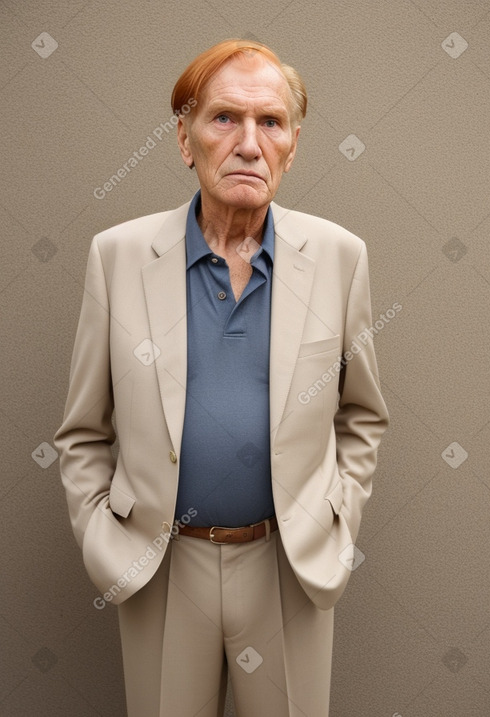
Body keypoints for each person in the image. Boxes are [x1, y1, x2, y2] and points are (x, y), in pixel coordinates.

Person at [54, 38, 389, 717]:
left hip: (288, 567)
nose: (248, 143)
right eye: (224, 118)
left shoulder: (339, 258)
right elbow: (83, 431)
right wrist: (103, 539)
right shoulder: (117, 257)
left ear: (293, 144)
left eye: (271, 122)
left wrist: (336, 515)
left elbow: (363, 415)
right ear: (184, 139)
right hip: (161, 568)